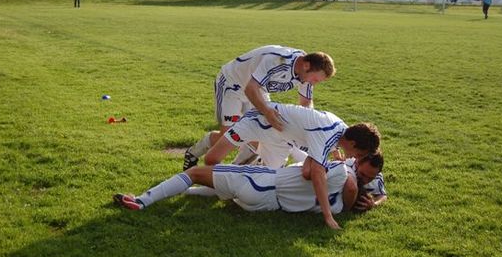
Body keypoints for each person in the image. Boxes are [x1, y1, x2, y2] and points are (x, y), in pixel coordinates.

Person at [203, 103, 381, 229]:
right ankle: (249, 150)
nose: (356, 158)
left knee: (266, 176)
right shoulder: (328, 135)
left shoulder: (341, 133)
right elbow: (317, 175)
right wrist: (328, 216)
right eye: (358, 154)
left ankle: (248, 158)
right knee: (211, 160)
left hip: (280, 139)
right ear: (354, 144)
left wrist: (333, 155)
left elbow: (311, 169)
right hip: (257, 122)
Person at [113, 150, 385, 230]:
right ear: (358, 159)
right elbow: (367, 190)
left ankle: (142, 201)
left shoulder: (343, 169)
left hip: (264, 183)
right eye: (364, 174)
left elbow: (350, 183)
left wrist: (335, 213)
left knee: (194, 172)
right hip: (266, 206)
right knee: (220, 189)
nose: (365, 179)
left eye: (367, 177)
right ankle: (187, 193)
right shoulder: (349, 181)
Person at [183, 46, 336, 170]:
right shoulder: (277, 60)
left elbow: (305, 104)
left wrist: (314, 132)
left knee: (259, 133)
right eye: (315, 79)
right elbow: (250, 88)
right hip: (232, 85)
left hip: (258, 90)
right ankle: (193, 153)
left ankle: (238, 170)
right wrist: (267, 112)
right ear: (306, 65)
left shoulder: (305, 73)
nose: (313, 83)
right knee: (228, 134)